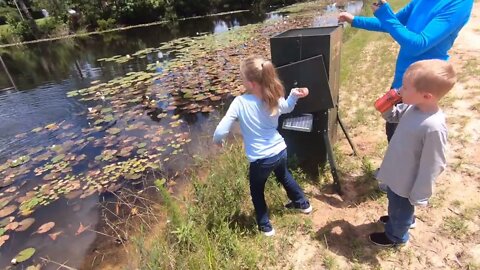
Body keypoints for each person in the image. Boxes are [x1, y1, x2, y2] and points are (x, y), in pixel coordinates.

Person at [338, 0, 473, 142]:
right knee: (393, 131)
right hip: (403, 79)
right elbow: (392, 23)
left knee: (407, 140)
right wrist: (354, 20)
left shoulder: (459, 3)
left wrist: (385, 13)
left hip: (422, 84)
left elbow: (417, 44)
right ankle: (394, 163)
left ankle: (399, 163)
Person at [213, 56, 312, 237]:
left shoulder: (239, 102)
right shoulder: (272, 95)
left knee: (256, 191)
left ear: (250, 84)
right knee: (284, 176)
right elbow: (288, 107)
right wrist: (294, 95)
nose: (241, 82)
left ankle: (265, 225)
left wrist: (218, 140)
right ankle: (302, 203)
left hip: (260, 159)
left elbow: (221, 130)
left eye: (242, 79)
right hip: (280, 150)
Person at [369, 59, 456, 246]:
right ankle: (398, 220)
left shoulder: (433, 127)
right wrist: (387, 102)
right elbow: (393, 116)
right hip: (397, 171)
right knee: (395, 202)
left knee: (401, 206)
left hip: (407, 182)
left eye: (406, 88)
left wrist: (420, 193)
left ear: (426, 96)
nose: (400, 89)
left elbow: (433, 164)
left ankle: (396, 236)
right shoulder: (412, 107)